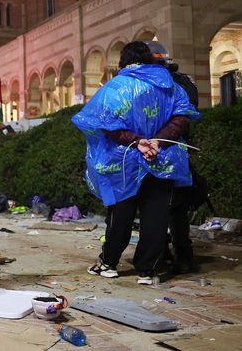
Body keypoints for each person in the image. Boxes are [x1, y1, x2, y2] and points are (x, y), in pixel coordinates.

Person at [72, 41, 200, 285]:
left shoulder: (116, 87)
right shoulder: (169, 85)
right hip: (162, 159)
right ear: (151, 59)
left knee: (121, 213)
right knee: (156, 214)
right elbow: (182, 117)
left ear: (123, 60)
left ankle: (108, 263)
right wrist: (156, 142)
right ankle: (148, 270)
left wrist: (138, 141)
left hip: (124, 163)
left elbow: (105, 123)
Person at [148, 41, 200, 274]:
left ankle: (162, 255)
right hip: (178, 150)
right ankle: (183, 255)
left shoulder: (161, 85)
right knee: (176, 206)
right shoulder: (184, 81)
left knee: (158, 205)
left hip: (159, 150)